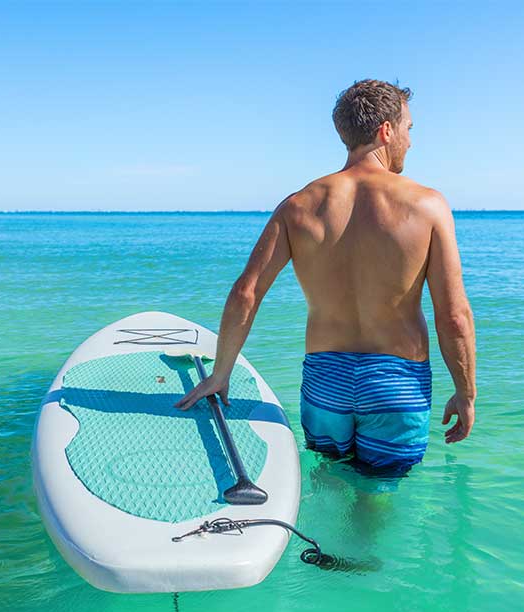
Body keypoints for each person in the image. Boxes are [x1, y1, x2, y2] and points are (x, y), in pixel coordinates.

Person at [175, 79, 476, 471]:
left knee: (329, 478)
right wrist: (465, 392)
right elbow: (453, 316)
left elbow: (246, 293)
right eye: (408, 129)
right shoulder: (427, 206)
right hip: (395, 382)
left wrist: (221, 373)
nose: (410, 141)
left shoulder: (298, 205)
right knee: (379, 498)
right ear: (386, 130)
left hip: (326, 378)